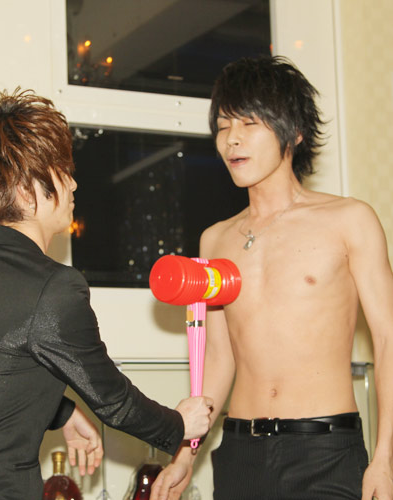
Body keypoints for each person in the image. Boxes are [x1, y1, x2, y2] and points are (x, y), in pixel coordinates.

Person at [0, 88, 213, 500]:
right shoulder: (53, 287)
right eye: (62, 171)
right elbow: (114, 401)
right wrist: (179, 424)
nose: (74, 183)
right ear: (27, 189)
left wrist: (62, 412)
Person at [151, 56, 393, 500]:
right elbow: (219, 359)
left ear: (294, 131)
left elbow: (388, 339)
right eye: (223, 126)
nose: (232, 139)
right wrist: (185, 453)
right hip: (240, 453)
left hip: (326, 452)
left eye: (249, 123)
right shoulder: (215, 239)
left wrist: (385, 458)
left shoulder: (350, 220)